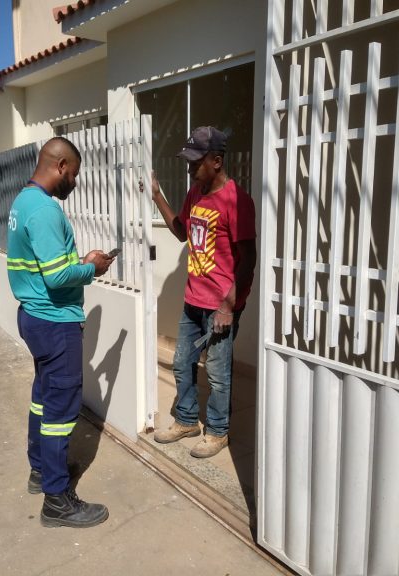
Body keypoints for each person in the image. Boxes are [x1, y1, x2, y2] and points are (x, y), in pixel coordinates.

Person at [7, 137, 114, 528]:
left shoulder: (23, 202)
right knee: (61, 411)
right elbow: (56, 276)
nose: (75, 183)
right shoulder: (45, 211)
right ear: (62, 166)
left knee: (43, 397)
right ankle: (57, 500)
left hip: (34, 316)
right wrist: (93, 268)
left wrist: (80, 261)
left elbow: (45, 265)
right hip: (54, 321)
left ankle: (40, 469)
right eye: (75, 175)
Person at [144, 126, 256, 458]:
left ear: (217, 161)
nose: (190, 169)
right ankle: (187, 420)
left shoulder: (237, 200)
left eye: (196, 163)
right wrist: (156, 195)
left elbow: (248, 259)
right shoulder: (195, 194)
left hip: (222, 303)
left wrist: (228, 305)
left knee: (219, 373)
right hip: (193, 299)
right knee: (182, 362)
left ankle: (219, 431)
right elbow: (181, 232)